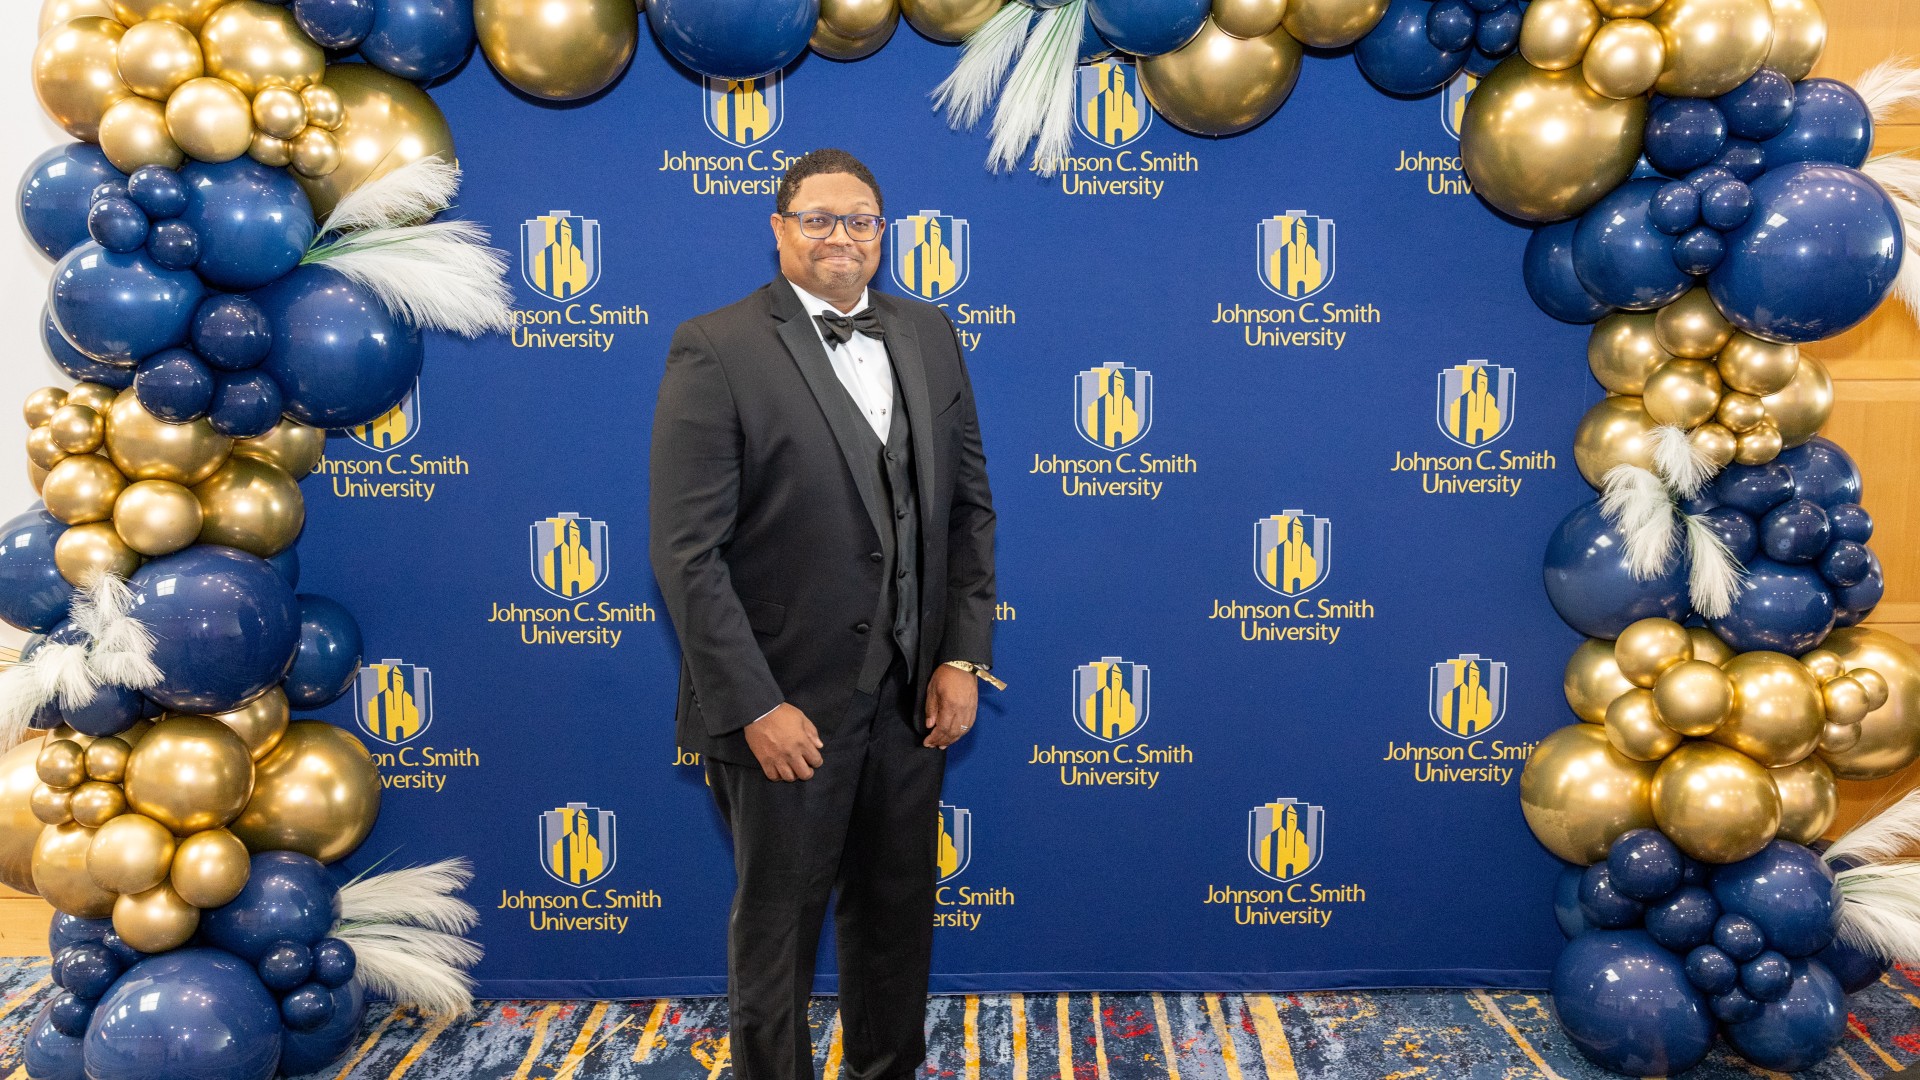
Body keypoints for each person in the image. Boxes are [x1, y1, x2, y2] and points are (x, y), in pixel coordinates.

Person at [648, 148, 1000, 1080]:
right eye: (818, 219)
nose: (841, 236)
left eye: (860, 220)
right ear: (779, 228)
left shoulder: (930, 332)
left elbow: (967, 509)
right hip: (785, 705)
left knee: (897, 915)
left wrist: (960, 656)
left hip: (910, 699)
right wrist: (755, 706)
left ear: (883, 232)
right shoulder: (715, 346)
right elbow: (686, 554)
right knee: (778, 932)